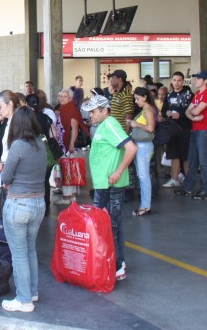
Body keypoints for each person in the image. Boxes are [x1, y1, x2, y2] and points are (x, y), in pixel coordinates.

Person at [81, 94, 137, 282]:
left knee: (109, 226)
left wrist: (118, 171)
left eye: (94, 112)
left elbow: (131, 148)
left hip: (110, 184)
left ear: (105, 110)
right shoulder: (103, 125)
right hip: (104, 184)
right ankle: (116, 263)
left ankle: (115, 265)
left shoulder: (111, 124)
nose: (91, 115)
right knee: (113, 224)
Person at [0, 106, 47, 312]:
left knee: (18, 254)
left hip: (19, 204)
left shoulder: (18, 146)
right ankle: (32, 292)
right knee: (30, 250)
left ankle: (23, 299)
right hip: (39, 204)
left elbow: (5, 177)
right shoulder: (40, 144)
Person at [175, 71, 207, 200]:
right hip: (196, 128)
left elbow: (195, 110)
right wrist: (193, 117)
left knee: (204, 161)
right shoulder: (198, 94)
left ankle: (205, 190)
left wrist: (192, 113)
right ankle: (188, 187)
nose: (196, 80)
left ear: (205, 81)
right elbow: (189, 111)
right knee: (192, 159)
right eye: (196, 78)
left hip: (205, 130)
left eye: (199, 78)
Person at [127, 87, 157, 217]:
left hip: (144, 146)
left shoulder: (148, 110)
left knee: (143, 176)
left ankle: (145, 205)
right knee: (142, 175)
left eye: (138, 99)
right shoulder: (145, 110)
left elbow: (151, 128)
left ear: (145, 97)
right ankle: (145, 204)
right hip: (141, 145)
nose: (136, 101)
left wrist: (136, 124)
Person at [162, 72, 193, 188]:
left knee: (186, 156)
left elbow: (193, 111)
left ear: (183, 81)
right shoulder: (169, 95)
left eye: (179, 80)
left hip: (185, 129)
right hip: (172, 129)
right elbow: (164, 110)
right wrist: (167, 113)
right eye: (174, 80)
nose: (176, 83)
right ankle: (174, 178)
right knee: (174, 155)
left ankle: (189, 180)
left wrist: (181, 116)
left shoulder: (189, 94)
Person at [0, 90, 21, 163]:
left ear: (10, 104)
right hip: (4, 165)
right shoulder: (6, 122)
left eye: (0, 106)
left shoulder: (20, 122)